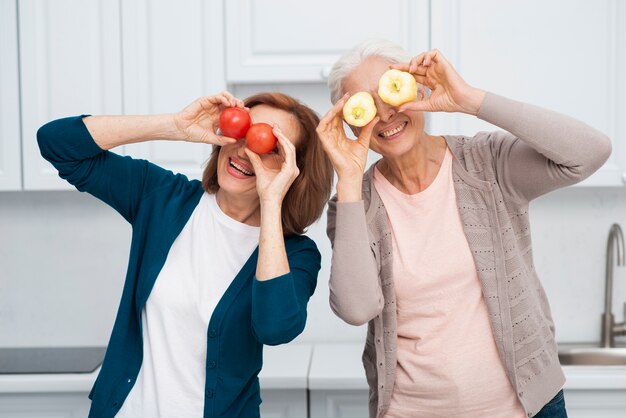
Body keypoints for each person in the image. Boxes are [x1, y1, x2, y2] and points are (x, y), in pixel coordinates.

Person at [317, 39, 611, 418]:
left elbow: (590, 153)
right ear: (348, 120)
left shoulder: (487, 163)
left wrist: (470, 100)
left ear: (419, 87)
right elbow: (357, 309)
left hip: (526, 409)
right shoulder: (354, 203)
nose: (385, 115)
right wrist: (349, 179)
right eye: (365, 106)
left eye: (389, 92)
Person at [37, 91, 333, 418]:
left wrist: (272, 202)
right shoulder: (164, 198)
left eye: (268, 146)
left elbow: (275, 329)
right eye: (243, 131)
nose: (246, 150)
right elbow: (56, 143)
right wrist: (174, 125)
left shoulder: (296, 253)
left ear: (295, 170)